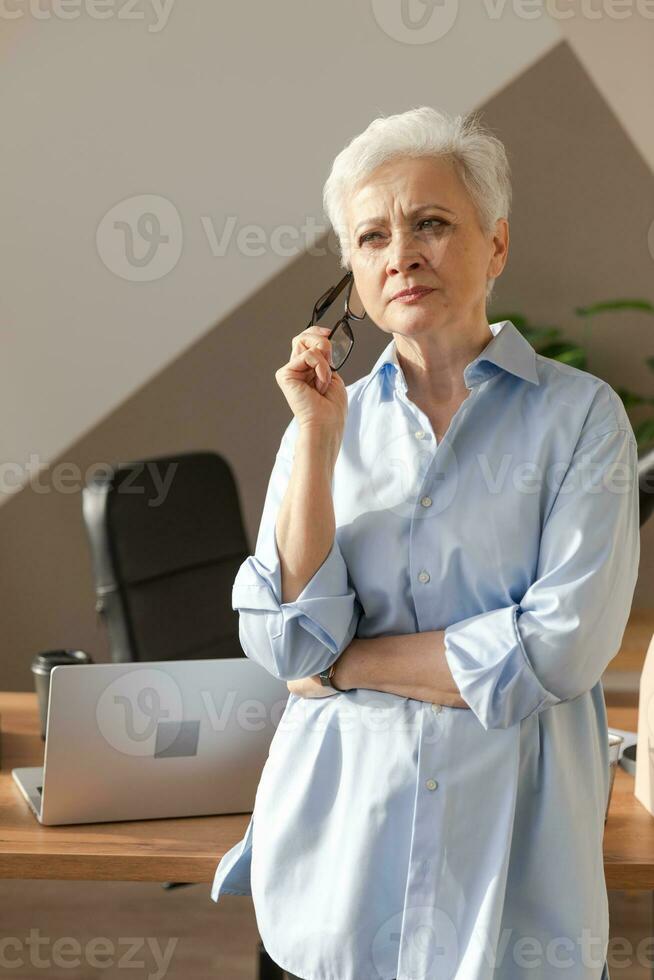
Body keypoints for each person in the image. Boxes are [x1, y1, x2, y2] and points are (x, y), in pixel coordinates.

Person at [210, 106, 639, 980]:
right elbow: (289, 641)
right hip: (334, 898)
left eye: (431, 223)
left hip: (513, 909)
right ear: (354, 277)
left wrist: (348, 666)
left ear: (497, 245)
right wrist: (321, 443)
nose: (399, 253)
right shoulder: (318, 428)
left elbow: (555, 654)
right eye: (371, 237)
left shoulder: (582, 419)